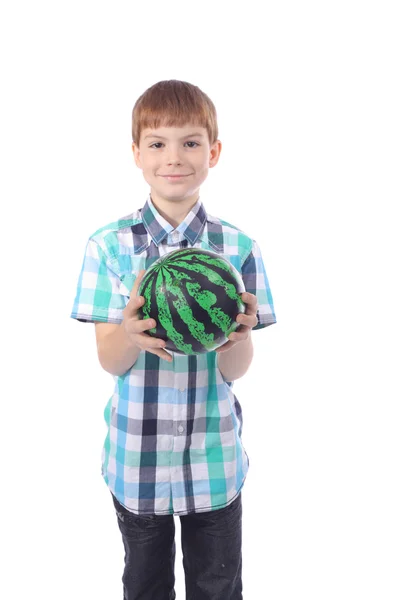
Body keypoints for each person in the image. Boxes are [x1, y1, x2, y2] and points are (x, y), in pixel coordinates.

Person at [71, 79, 276, 600]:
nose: (174, 157)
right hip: (136, 459)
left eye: (190, 142)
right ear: (136, 153)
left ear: (214, 152)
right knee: (144, 587)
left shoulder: (239, 248)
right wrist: (132, 335)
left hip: (215, 458)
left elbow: (235, 371)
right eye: (158, 143)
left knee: (218, 587)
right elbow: (109, 360)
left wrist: (239, 337)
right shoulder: (108, 246)